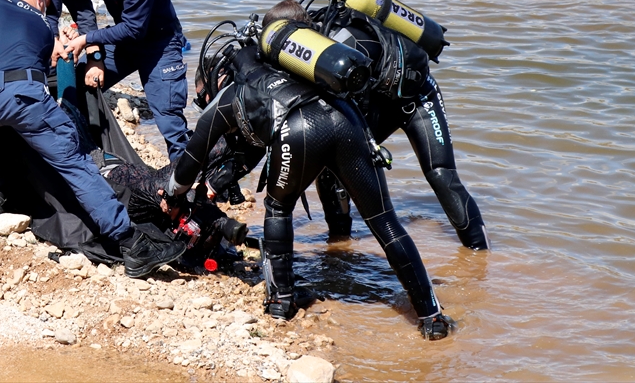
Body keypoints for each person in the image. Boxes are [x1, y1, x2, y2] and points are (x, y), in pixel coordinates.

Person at [180, 19, 454, 340]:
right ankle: (431, 316)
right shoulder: (307, 60)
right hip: (348, 123)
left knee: (278, 208)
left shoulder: (245, 84)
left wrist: (177, 189)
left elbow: (209, 144)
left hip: (301, 130)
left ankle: (281, 300)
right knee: (385, 222)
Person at [0, 0, 188, 279]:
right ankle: (132, 244)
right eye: (48, 3)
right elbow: (43, 69)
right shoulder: (40, 25)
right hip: (22, 102)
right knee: (76, 165)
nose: (47, 9)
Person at [283, 0, 490, 250]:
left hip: (418, 96)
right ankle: (339, 248)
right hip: (378, 104)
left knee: (441, 174)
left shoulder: (329, 49)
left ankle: (480, 256)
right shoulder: (308, 55)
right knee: (331, 163)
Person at [54, 0, 191, 160]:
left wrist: (86, 40)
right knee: (79, 80)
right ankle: (83, 149)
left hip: (158, 44)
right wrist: (53, 30)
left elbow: (134, 29)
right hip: (123, 41)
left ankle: (188, 183)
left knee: (170, 123)